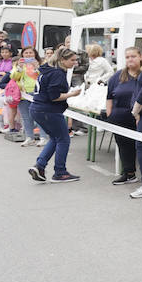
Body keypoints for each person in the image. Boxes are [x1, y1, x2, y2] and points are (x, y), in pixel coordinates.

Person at [27, 46, 82, 184]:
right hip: (48, 110)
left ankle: (40, 165)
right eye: (72, 60)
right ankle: (60, 172)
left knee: (55, 138)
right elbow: (54, 96)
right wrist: (72, 94)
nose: (74, 63)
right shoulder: (57, 73)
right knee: (64, 139)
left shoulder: (47, 69)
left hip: (38, 108)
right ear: (62, 60)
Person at [105, 47, 142, 185]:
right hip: (120, 117)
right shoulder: (118, 76)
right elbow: (109, 96)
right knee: (124, 146)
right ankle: (129, 173)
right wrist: (110, 115)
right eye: (127, 57)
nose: (130, 59)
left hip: (140, 117)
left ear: (140, 57)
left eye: (133, 56)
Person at [12, 46, 43, 145]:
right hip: (23, 94)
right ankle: (30, 137)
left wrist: (37, 67)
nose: (28, 55)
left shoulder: (41, 63)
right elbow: (13, 77)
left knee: (39, 116)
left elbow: (45, 75)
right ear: (22, 55)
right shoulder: (19, 65)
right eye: (26, 53)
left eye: (31, 53)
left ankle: (43, 137)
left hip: (37, 93)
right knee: (26, 117)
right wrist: (19, 68)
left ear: (35, 54)